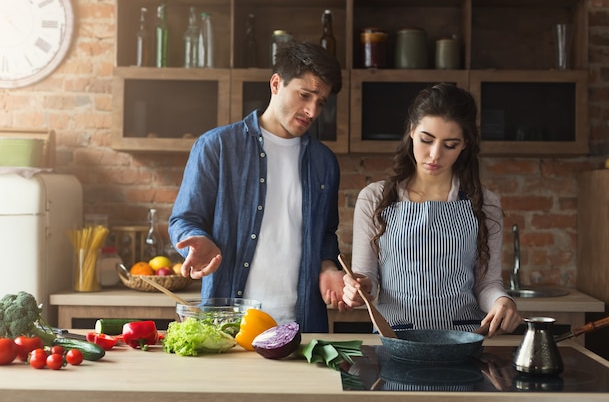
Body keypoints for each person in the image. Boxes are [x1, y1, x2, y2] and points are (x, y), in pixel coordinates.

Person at [169, 40, 346, 333]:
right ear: (276, 84)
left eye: (321, 102)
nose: (312, 111)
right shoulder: (217, 147)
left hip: (302, 326)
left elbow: (326, 232)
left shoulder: (324, 162)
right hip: (229, 327)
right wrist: (196, 238)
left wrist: (328, 267)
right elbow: (184, 219)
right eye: (305, 95)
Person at [342, 83, 522, 338]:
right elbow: (365, 279)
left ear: (465, 144)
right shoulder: (374, 198)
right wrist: (357, 289)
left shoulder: (486, 204)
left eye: (450, 144)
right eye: (427, 140)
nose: (435, 155)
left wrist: (503, 301)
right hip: (396, 340)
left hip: (464, 340)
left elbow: (487, 284)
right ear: (412, 131)